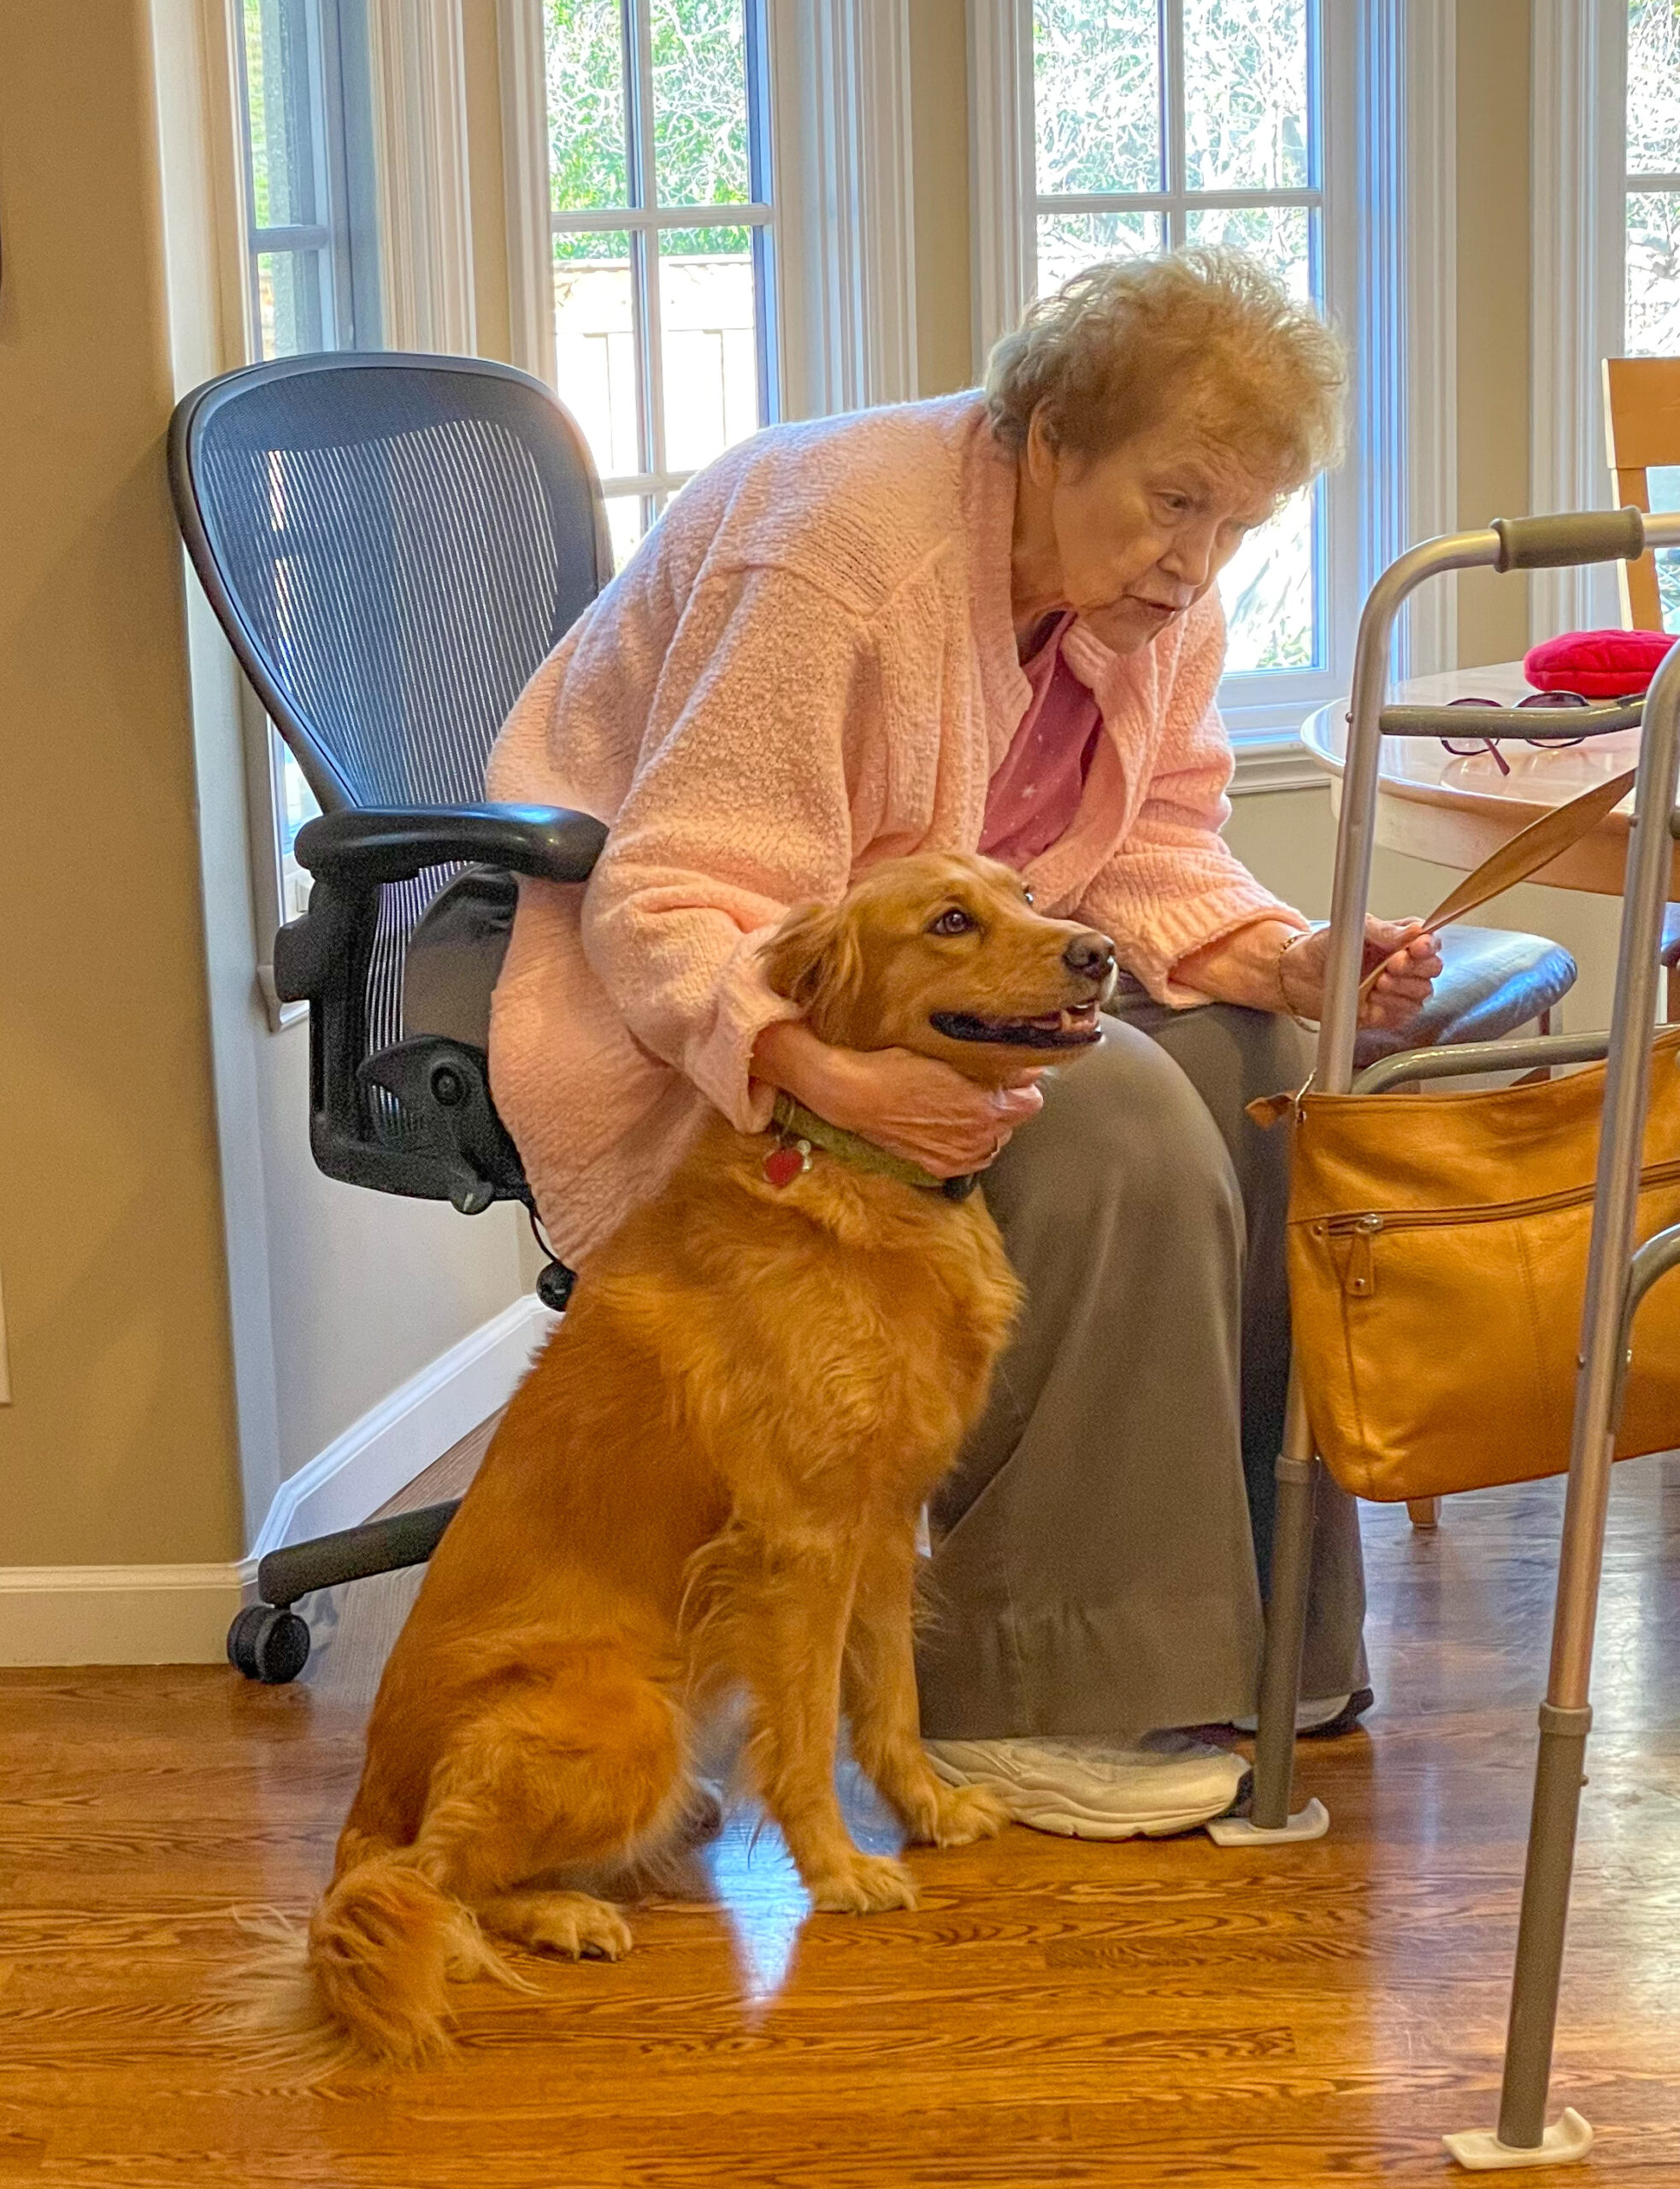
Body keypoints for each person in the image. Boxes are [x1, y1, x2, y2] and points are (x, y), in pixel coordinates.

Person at [485, 249, 1441, 1841]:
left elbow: (1143, 845)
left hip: (939, 973)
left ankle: (1259, 1634)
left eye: (1238, 527)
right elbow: (668, 891)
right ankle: (1031, 1691)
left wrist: (1282, 954)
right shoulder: (839, 554)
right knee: (1115, 1114)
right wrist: (825, 1069)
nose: (1194, 566)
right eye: (1174, 502)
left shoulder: (1141, 599)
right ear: (1050, 436)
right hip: (669, 989)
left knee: (1265, 1086)